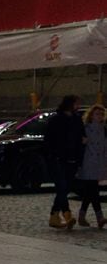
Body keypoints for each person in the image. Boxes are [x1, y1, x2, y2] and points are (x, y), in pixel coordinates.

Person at [44, 94, 85, 229]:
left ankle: (54, 215)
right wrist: (52, 154)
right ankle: (67, 214)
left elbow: (81, 137)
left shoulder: (76, 119)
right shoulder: (56, 120)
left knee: (65, 188)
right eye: (76, 103)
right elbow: (49, 139)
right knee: (61, 186)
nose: (78, 106)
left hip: (72, 159)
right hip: (57, 158)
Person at [76, 103, 107, 229]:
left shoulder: (104, 129)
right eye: (97, 114)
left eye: (101, 114)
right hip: (88, 162)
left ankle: (82, 216)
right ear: (91, 115)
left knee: (91, 191)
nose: (99, 116)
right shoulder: (86, 128)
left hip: (99, 162)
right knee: (93, 189)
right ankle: (100, 217)